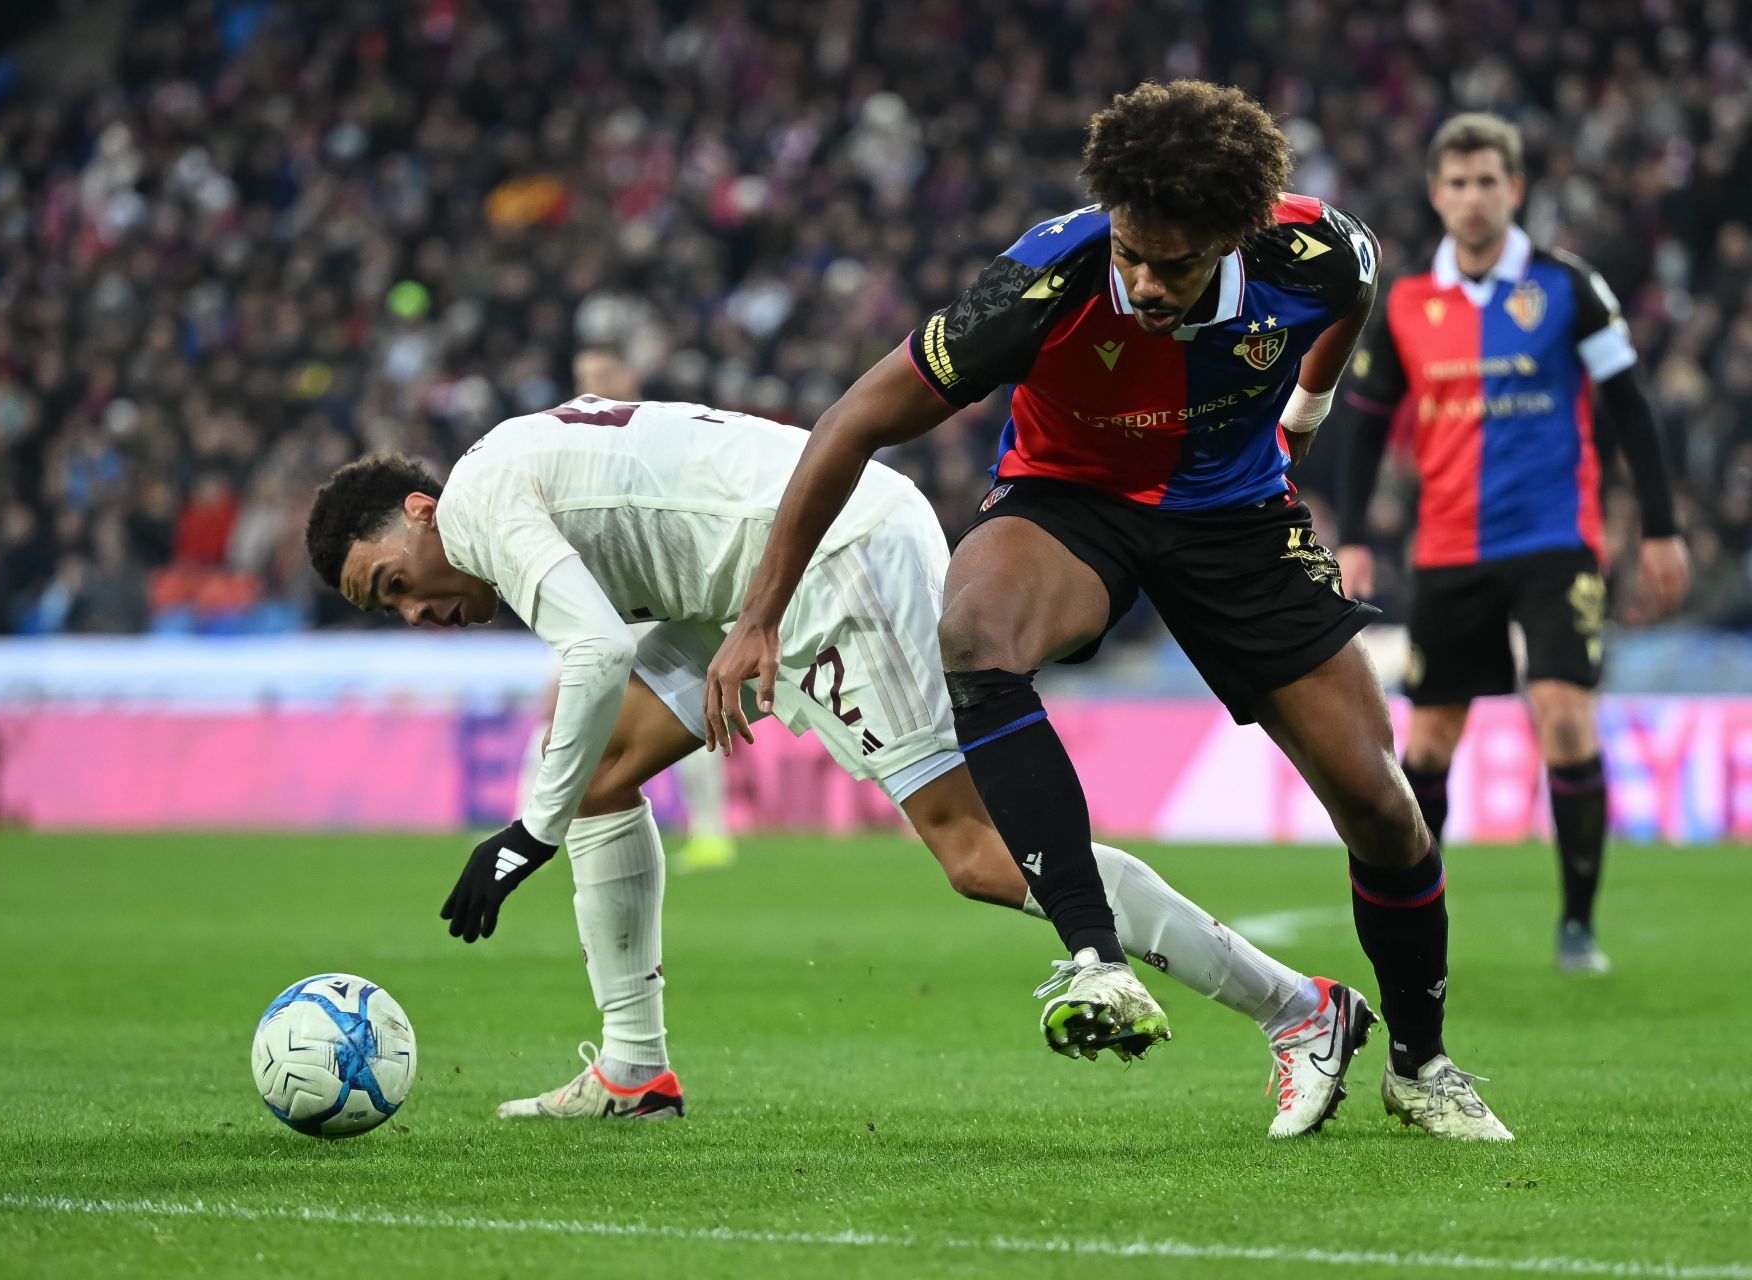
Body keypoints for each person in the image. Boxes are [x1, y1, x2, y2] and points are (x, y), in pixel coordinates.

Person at [703, 80, 1511, 1139]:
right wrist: (761, 612)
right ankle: (1095, 953)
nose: (1143, 280)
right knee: (975, 630)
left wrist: (1305, 412)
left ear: (1235, 234)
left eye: (1173, 263)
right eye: (1132, 250)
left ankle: (1419, 1061)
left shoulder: (1315, 255)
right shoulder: (1044, 281)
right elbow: (853, 421)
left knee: (1381, 805)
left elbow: (1353, 299)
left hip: (1238, 517)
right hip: (1070, 501)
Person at [304, 396, 1376, 1138]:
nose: (413, 611)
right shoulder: (509, 461)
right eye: (385, 610)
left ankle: (1299, 1008)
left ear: (416, 511)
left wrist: (521, 839)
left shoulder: (480, 506)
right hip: (759, 567)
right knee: (598, 776)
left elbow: (589, 651)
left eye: (389, 583)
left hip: (829, 561)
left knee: (978, 850)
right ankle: (633, 1068)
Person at [1332, 114, 1690, 975]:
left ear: (1515, 189)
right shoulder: (1409, 303)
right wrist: (1351, 539)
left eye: (1488, 181)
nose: (1472, 198)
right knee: (1428, 745)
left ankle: (1576, 926)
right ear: (1435, 194)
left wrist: (1664, 529)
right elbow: (1366, 427)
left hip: (1556, 542)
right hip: (1449, 550)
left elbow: (1632, 410)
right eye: (1456, 183)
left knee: (1564, 716)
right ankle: (1421, 920)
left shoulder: (1569, 287)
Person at [514, 347, 739, 873]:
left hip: (661, 598)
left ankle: (711, 832)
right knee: (558, 712)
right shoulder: (573, 441)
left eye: (598, 376)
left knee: (695, 712)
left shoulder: (661, 432)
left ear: (628, 376)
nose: (588, 387)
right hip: (601, 603)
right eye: (580, 377)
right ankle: (528, 820)